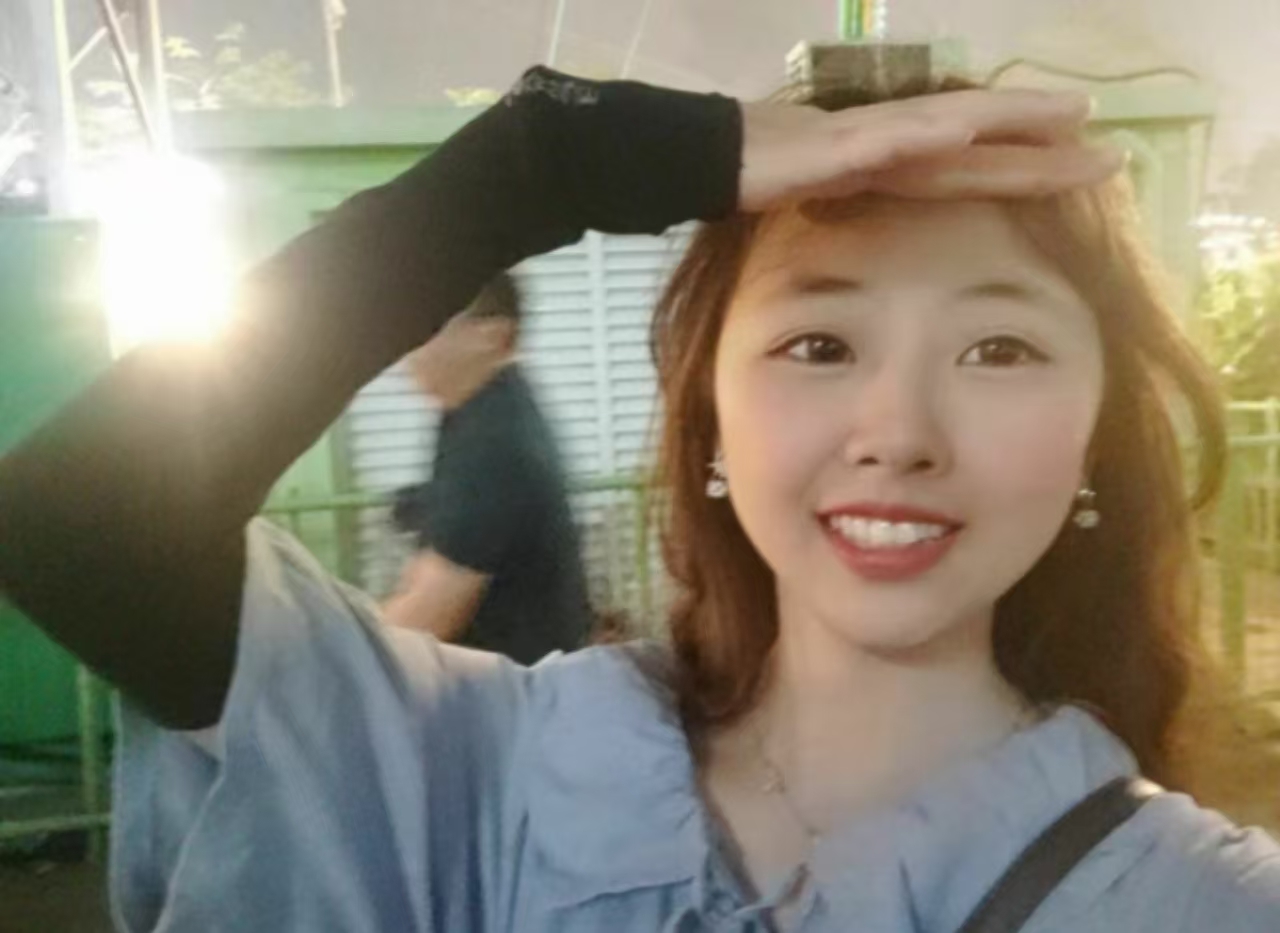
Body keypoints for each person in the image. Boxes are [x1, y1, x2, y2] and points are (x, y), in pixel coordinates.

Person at [0, 65, 1277, 932]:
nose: (896, 434)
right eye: (817, 344)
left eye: (997, 349)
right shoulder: (482, 772)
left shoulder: (1194, 904)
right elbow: (84, 523)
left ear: (1095, 436)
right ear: (707, 414)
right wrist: (541, 163)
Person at [381, 272, 592, 665]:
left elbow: (427, 619)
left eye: (428, 326)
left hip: (515, 689)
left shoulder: (495, 444)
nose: (408, 346)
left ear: (492, 335)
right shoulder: (468, 413)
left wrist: (338, 657)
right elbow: (431, 565)